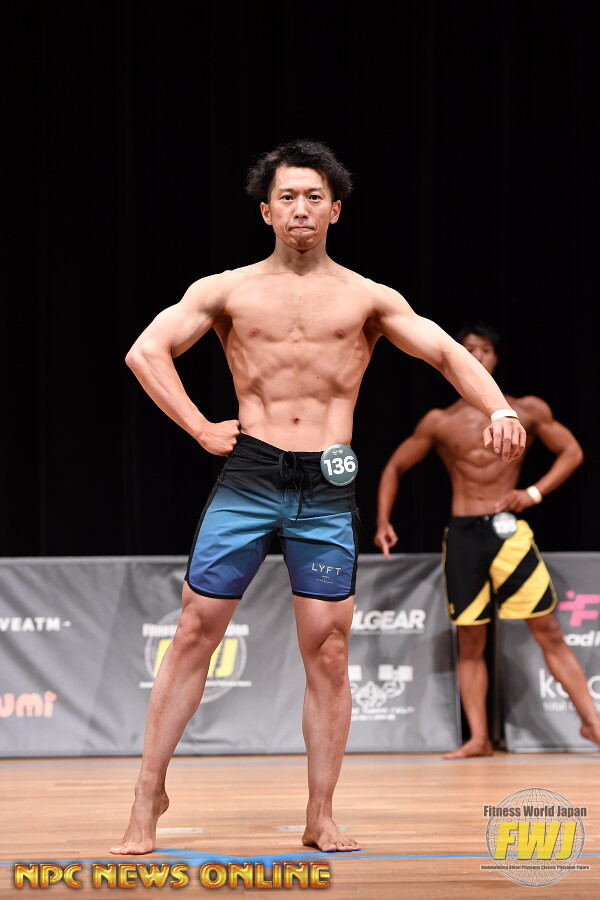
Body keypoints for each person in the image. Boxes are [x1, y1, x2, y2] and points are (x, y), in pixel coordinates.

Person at [110, 143, 525, 856]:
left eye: (313, 197)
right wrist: (200, 428)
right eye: (287, 197)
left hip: (327, 481)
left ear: (335, 210)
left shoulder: (367, 297)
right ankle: (147, 795)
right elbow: (146, 352)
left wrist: (500, 408)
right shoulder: (227, 290)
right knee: (195, 630)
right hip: (250, 472)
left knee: (329, 650)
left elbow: (446, 353)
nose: (300, 209)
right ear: (266, 211)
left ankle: (321, 813)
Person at [374, 320, 600, 758]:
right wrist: (383, 520)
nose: (477, 356)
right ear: (457, 355)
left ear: (496, 357)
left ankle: (592, 723)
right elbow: (395, 466)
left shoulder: (527, 410)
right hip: (463, 535)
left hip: (508, 532)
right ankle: (478, 738)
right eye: (469, 349)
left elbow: (572, 451)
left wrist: (533, 493)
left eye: (485, 350)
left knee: (549, 631)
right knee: (471, 641)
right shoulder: (440, 421)